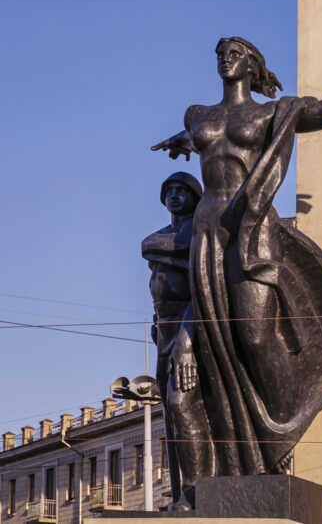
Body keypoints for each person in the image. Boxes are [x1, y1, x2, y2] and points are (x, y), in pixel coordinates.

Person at [152, 37, 322, 500]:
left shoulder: (271, 112)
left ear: (252, 64)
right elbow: (201, 141)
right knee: (218, 335)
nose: (224, 58)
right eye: (219, 53)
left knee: (254, 333)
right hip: (209, 231)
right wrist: (180, 142)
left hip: (251, 227)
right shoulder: (197, 115)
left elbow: (321, 111)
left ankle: (279, 432)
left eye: (234, 52)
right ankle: (233, 457)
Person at [141, 172, 203, 504]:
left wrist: (185, 338)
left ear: (196, 196)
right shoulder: (168, 235)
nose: (175, 196)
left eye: (183, 190)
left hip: (189, 322)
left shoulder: (199, 230)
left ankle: (195, 487)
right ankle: (185, 489)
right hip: (163, 323)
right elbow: (152, 245)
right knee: (168, 408)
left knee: (182, 404)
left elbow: (202, 288)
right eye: (170, 191)